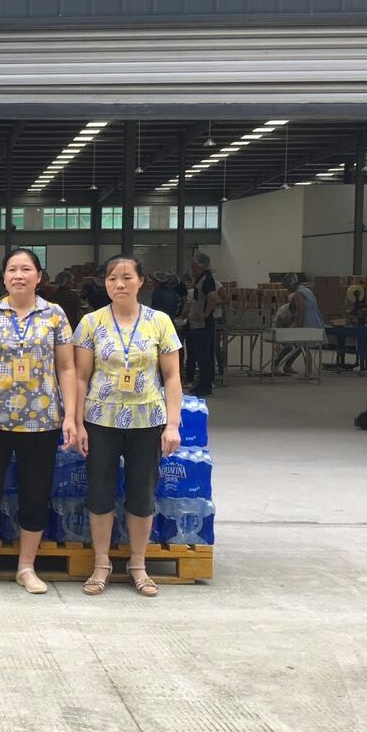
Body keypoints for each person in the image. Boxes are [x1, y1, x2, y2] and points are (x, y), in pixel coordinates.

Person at [0, 248, 79, 593]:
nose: (19, 275)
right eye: (12, 269)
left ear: (39, 276)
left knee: (35, 494)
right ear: (4, 276)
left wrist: (70, 415)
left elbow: (66, 367)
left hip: (41, 421)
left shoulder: (55, 315)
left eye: (26, 269)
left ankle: (26, 567)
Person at [73, 254, 183, 598]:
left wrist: (173, 424)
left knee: (142, 491)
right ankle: (101, 563)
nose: (119, 284)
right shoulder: (90, 323)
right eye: (112, 279)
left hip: (147, 421)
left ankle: (138, 564)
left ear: (141, 281)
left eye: (126, 277)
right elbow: (80, 376)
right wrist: (76, 422)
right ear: (104, 284)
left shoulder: (159, 322)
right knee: (100, 491)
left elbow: (172, 376)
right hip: (100, 420)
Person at [272, 273, 325, 377]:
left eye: (288, 287)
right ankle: (307, 371)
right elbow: (278, 323)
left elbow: (300, 311)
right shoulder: (306, 290)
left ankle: (308, 372)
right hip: (314, 319)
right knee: (303, 347)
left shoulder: (298, 294)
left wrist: (298, 328)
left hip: (308, 321)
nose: (287, 290)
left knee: (304, 347)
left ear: (292, 285)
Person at [184, 252, 218, 397]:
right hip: (196, 324)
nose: (191, 266)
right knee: (199, 355)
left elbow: (213, 297)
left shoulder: (207, 279)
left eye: (193, 263)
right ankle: (202, 383)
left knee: (204, 356)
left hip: (203, 325)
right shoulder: (199, 279)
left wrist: (205, 314)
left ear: (200, 265)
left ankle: (206, 386)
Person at [51, 270, 85, 335]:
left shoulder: (53, 295)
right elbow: (78, 312)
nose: (73, 282)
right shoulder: (71, 295)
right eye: (72, 280)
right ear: (67, 282)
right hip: (71, 326)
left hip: (57, 326)